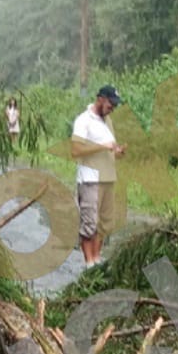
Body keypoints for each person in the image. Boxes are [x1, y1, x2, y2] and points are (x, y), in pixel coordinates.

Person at [71, 84, 126, 267]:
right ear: (101, 99)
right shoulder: (83, 120)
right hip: (90, 179)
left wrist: (117, 151)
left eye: (115, 106)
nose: (112, 109)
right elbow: (76, 150)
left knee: (104, 225)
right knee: (89, 224)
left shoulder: (107, 121)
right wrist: (102, 147)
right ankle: (89, 264)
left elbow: (110, 148)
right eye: (111, 104)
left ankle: (97, 260)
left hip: (108, 178)